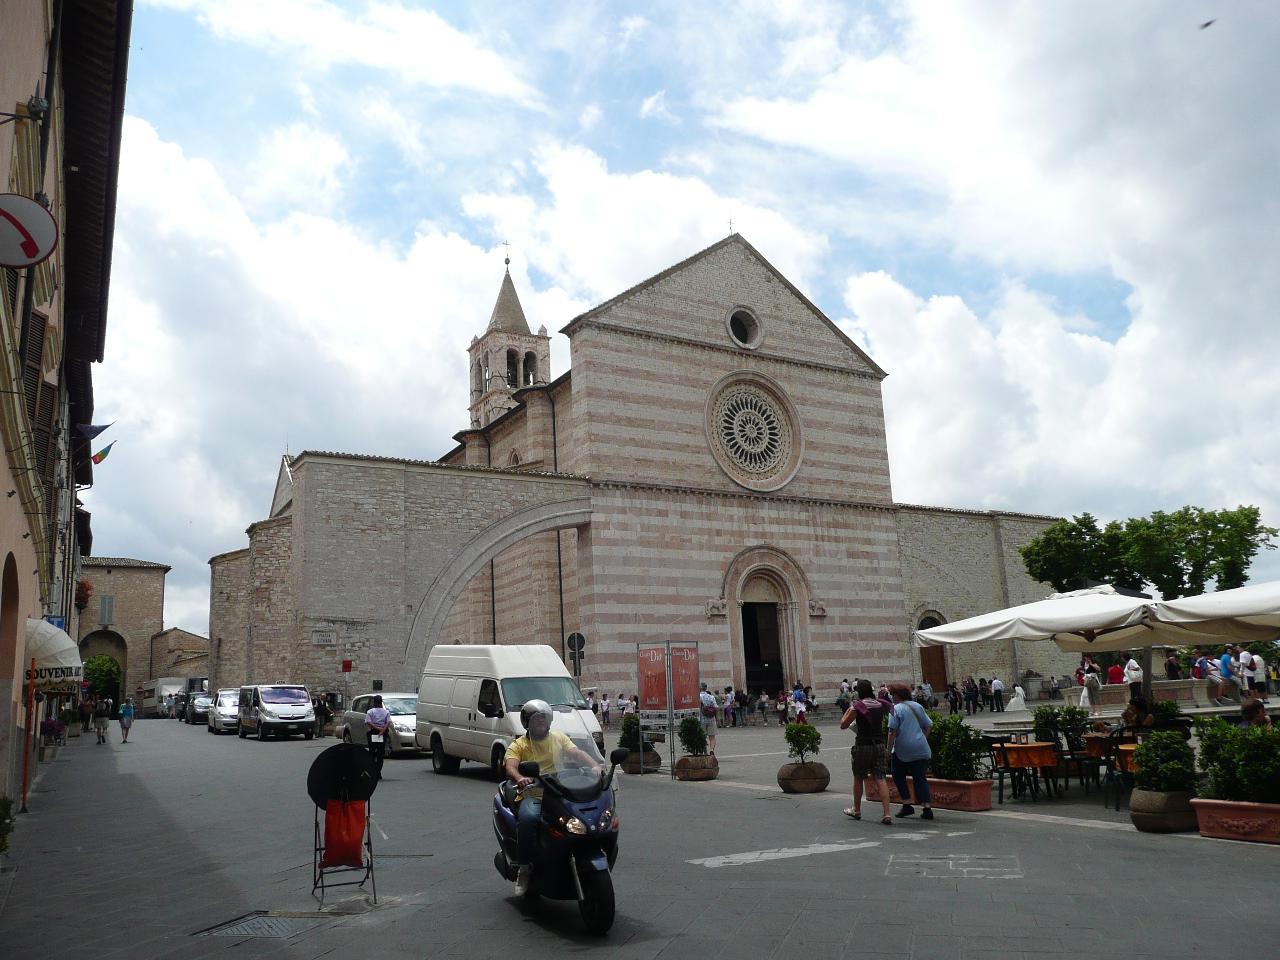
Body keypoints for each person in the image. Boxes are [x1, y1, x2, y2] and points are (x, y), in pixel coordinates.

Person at [504, 699, 602, 895]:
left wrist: (595, 765)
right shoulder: (519, 744)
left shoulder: (558, 737)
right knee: (529, 818)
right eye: (536, 719)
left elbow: (577, 753)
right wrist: (520, 778)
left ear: (549, 720)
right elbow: (510, 766)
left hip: (559, 786)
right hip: (534, 788)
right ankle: (524, 868)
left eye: (543, 718)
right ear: (527, 722)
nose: (540, 722)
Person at [840, 680, 894, 825]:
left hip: (863, 744)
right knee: (881, 778)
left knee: (859, 777)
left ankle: (857, 810)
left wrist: (847, 712)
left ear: (859, 692)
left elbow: (844, 725)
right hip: (879, 744)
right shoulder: (880, 704)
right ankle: (887, 813)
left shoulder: (858, 706)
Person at [887, 683, 933, 820]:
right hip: (920, 746)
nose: (891, 697)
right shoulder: (917, 706)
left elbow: (892, 731)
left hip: (902, 748)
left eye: (892, 694)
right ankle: (927, 808)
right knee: (920, 777)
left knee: (898, 774)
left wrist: (888, 750)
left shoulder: (895, 709)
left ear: (898, 695)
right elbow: (928, 725)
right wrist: (922, 738)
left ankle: (907, 803)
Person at [364, 695, 391, 778]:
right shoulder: (386, 712)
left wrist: (377, 728)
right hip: (382, 734)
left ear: (374, 702)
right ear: (381, 702)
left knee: (372, 752)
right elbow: (388, 723)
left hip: (373, 733)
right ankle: (378, 771)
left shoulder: (370, 712)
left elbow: (368, 722)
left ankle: (372, 771)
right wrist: (382, 731)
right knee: (380, 753)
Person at [698, 683, 719, 754]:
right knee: (712, 737)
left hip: (702, 719)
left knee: (702, 736)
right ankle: (711, 750)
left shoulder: (698, 696)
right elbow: (716, 707)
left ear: (700, 688)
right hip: (711, 718)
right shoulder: (711, 696)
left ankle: (703, 751)